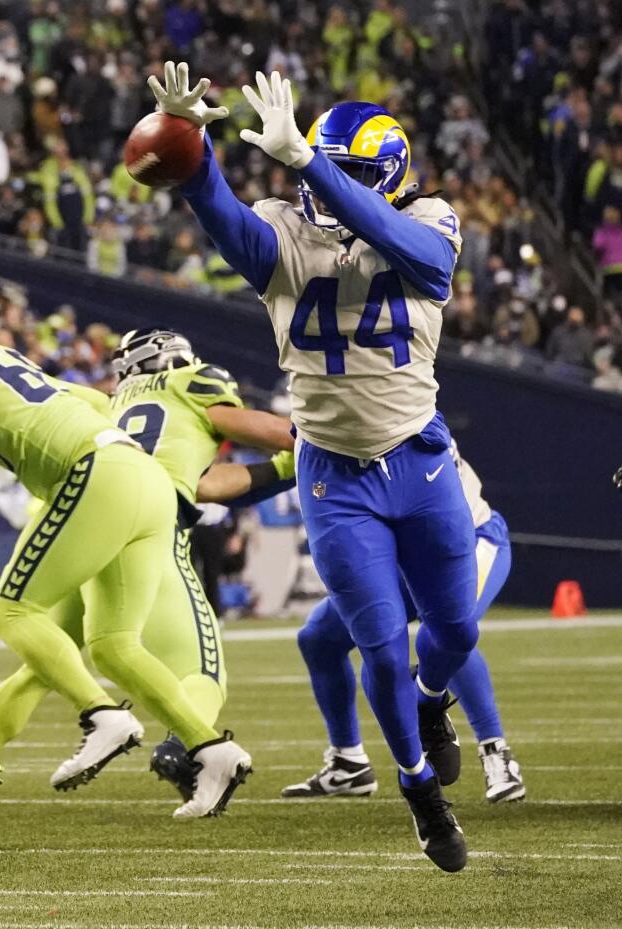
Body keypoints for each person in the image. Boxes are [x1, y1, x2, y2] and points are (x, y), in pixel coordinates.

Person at [153, 63, 476, 870]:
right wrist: (193, 152)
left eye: (352, 178)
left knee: (458, 629)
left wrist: (310, 163)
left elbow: (421, 263)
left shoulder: (431, 221)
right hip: (335, 476)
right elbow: (222, 216)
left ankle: (435, 705)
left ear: (391, 180)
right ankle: (418, 790)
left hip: (419, 456)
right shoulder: (285, 231)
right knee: (378, 645)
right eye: (321, 172)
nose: (329, 196)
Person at [0, 305, 247, 818]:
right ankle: (213, 750)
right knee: (113, 644)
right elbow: (95, 401)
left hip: (94, 476)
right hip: (144, 478)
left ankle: (102, 717)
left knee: (13, 612)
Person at [0, 327, 296, 812]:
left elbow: (206, 484)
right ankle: (190, 748)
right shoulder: (192, 381)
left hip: (89, 514)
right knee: (199, 668)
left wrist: (286, 471)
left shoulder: (113, 402)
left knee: (47, 662)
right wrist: (323, 443)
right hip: (150, 521)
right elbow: (259, 430)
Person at [284, 443, 524, 804]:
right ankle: (349, 762)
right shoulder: (339, 428)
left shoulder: (396, 420)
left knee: (444, 632)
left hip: (471, 539)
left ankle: (495, 751)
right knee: (319, 638)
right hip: (399, 555)